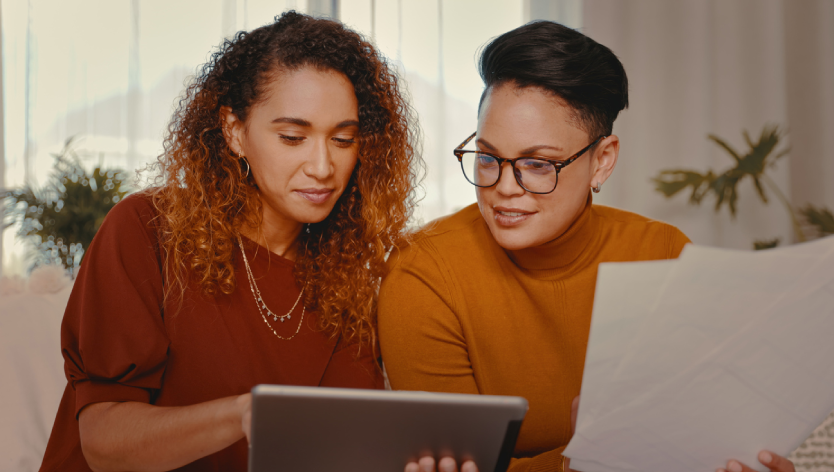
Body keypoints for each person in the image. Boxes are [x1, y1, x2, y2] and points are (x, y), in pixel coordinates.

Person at [378, 21, 797, 472]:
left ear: (603, 161)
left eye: (537, 164)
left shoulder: (663, 254)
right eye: (487, 157)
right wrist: (593, 455)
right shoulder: (422, 271)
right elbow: (462, 466)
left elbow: (706, 437)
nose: (502, 187)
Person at [40, 11, 420, 471]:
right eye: (293, 137)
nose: (323, 166)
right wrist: (244, 415)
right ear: (234, 131)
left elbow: (341, 449)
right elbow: (104, 444)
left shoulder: (346, 276)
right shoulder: (145, 230)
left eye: (343, 139)